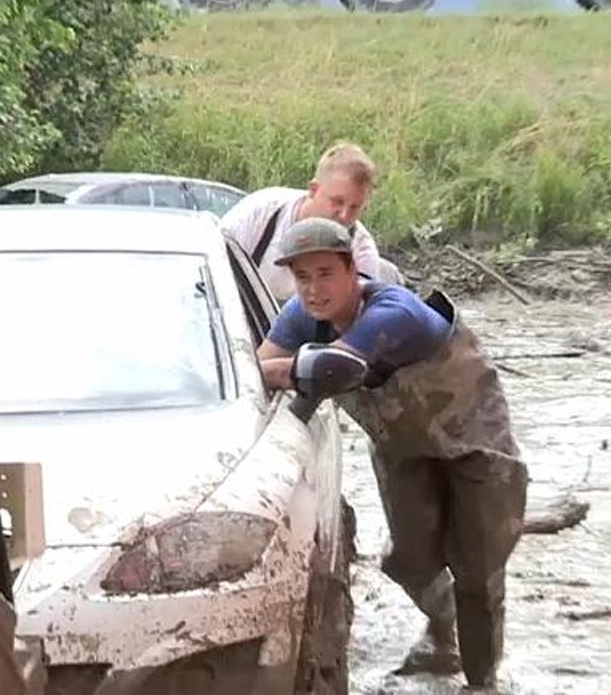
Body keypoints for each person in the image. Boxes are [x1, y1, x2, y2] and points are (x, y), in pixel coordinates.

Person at [256, 217, 529, 691]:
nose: (314, 290)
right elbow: (259, 366)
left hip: (472, 438)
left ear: (352, 271)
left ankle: (482, 680)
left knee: (478, 570)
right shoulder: (303, 314)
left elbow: (329, 367)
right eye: (302, 278)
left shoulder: (392, 310)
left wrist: (288, 371)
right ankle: (445, 631)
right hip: (403, 445)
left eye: (325, 274)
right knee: (410, 560)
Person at [220, 141, 401, 304]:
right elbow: (214, 267)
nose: (344, 215)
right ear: (313, 190)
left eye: (355, 207)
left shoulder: (361, 251)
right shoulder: (260, 212)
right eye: (337, 202)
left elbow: (359, 318)